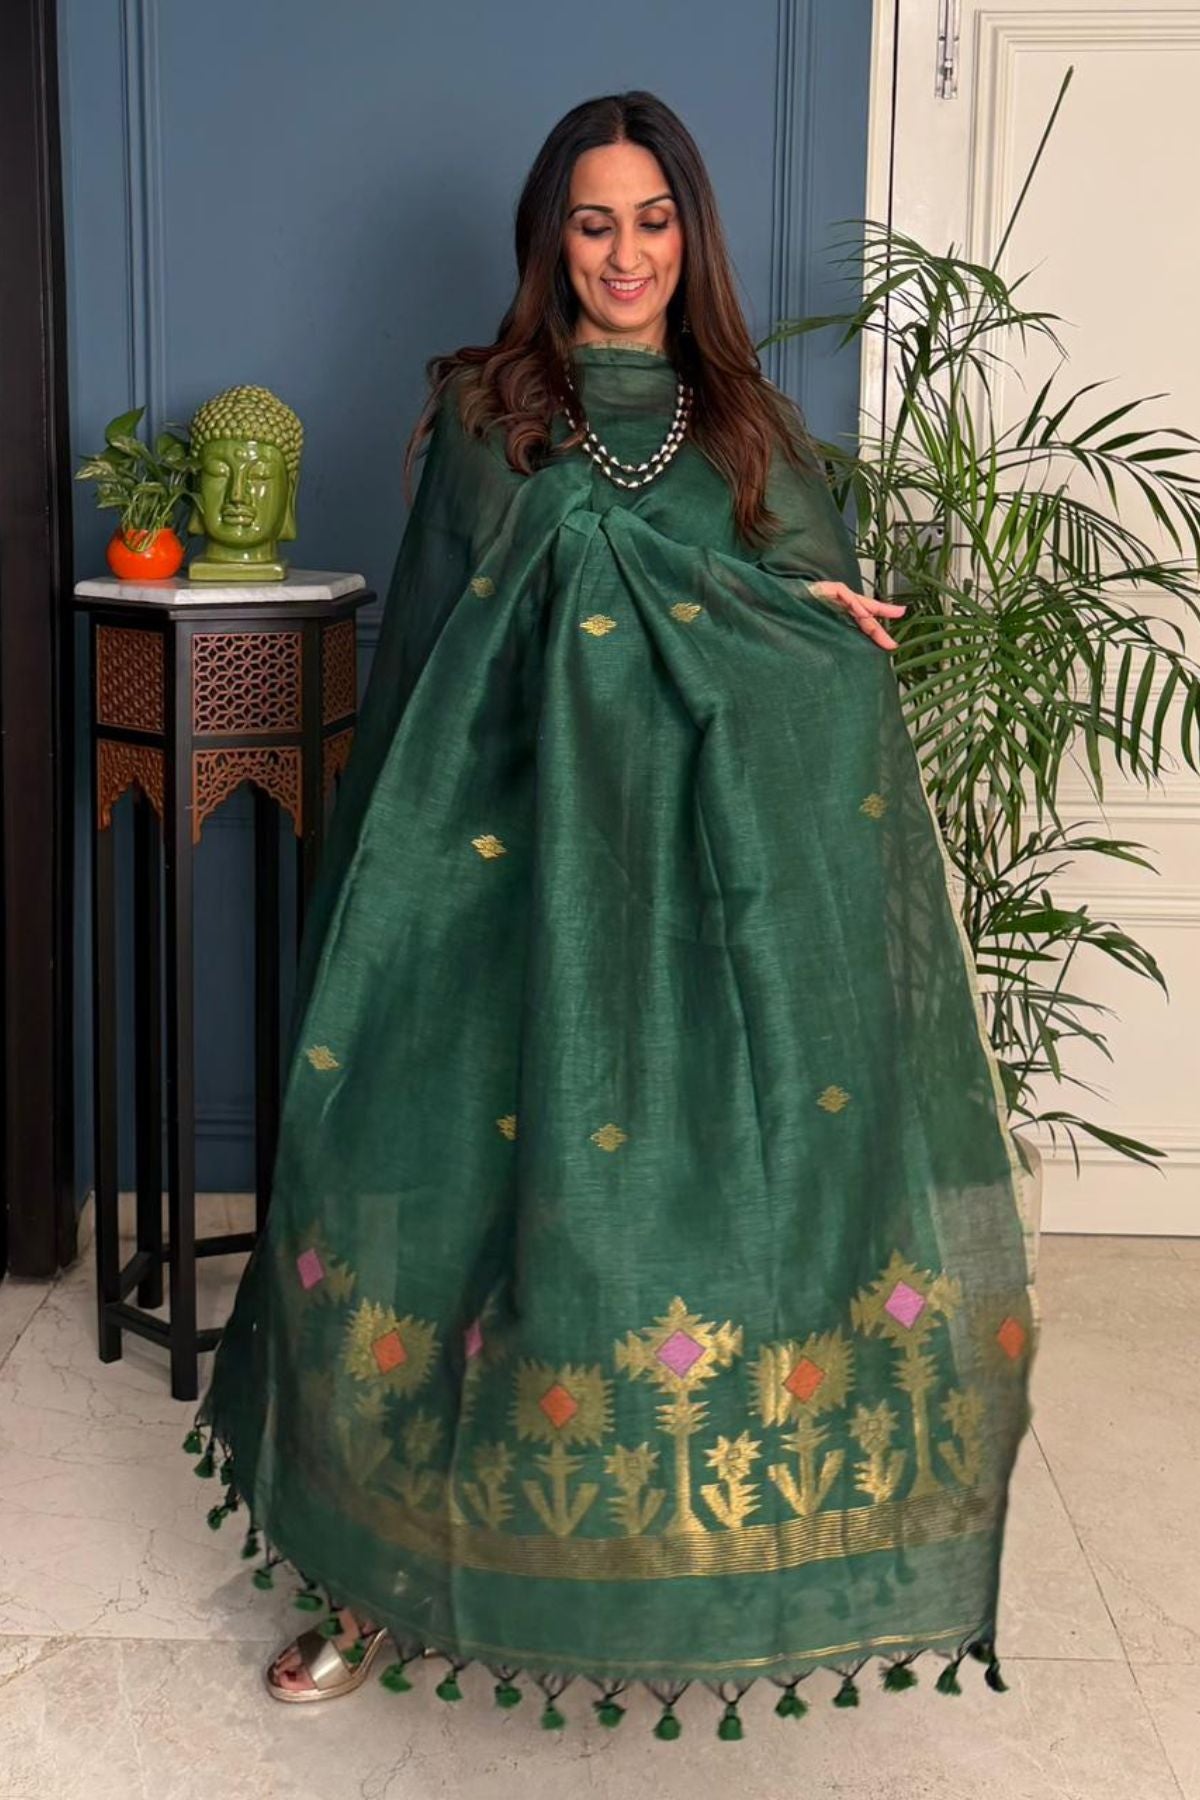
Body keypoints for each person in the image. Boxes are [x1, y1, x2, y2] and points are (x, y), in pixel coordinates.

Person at [185, 89, 1034, 1738]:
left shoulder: (753, 434)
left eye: (653, 221)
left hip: (687, 919)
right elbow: (428, 655)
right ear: (550, 239)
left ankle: (712, 1577)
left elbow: (802, 659)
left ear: (689, 237)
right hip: (490, 894)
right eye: (594, 222)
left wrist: (800, 624)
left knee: (675, 1246)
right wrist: (381, 898)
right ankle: (366, 1584)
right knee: (433, 1223)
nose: (626, 254)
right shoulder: (483, 415)